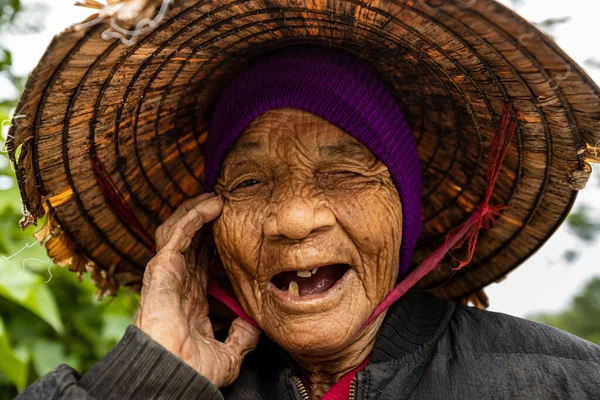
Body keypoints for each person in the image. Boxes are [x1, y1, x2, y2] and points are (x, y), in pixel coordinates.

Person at [8, 0, 600, 399]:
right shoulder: (188, 388)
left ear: (406, 208)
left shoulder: (561, 382)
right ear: (208, 227)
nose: (293, 219)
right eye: (249, 183)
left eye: (344, 172)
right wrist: (152, 376)